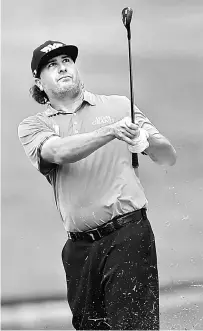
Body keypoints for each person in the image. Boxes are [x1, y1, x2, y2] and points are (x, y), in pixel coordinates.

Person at [18, 40, 177, 330]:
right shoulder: (33, 126)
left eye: (66, 60)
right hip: (79, 250)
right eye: (51, 65)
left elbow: (167, 156)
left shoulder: (118, 106)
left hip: (127, 234)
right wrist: (110, 131)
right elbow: (59, 152)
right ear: (39, 84)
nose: (62, 67)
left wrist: (145, 141)